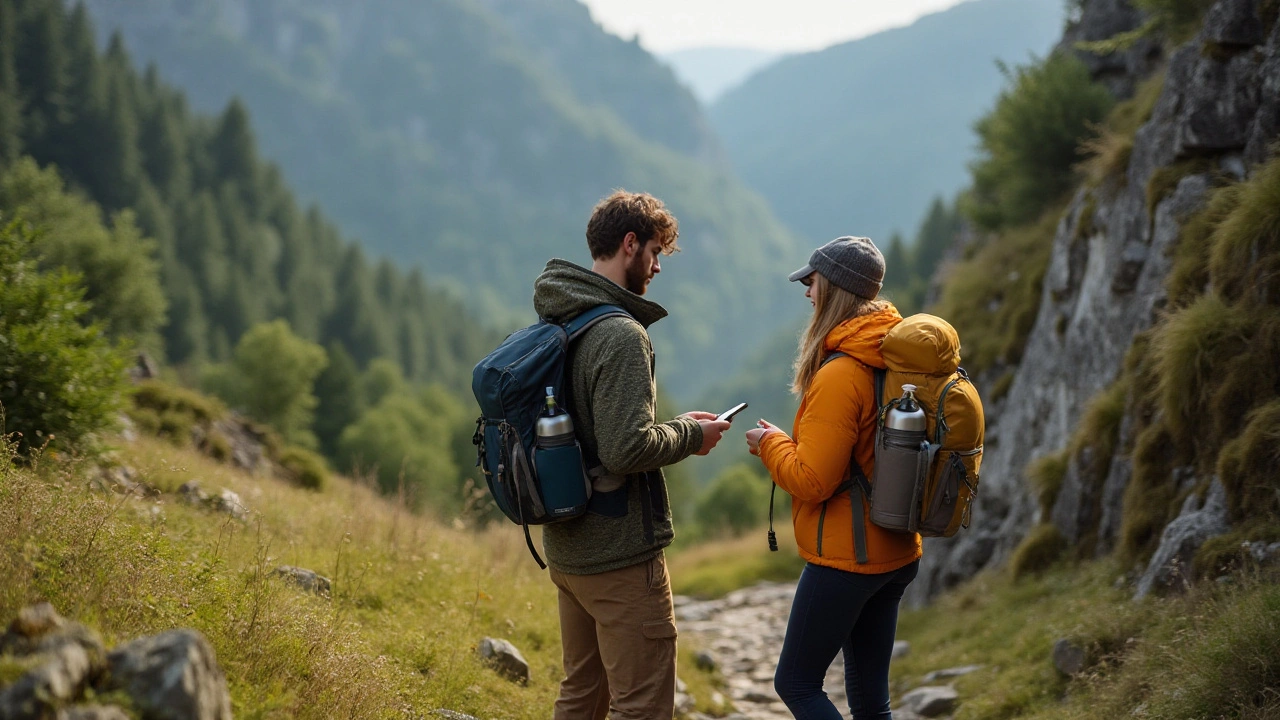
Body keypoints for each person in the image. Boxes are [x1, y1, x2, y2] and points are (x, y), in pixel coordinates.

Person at [532, 189, 731, 720]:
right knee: (640, 707)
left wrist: (679, 426)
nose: (658, 265)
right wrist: (692, 436)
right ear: (629, 244)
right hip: (619, 555)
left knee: (582, 697)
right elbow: (625, 448)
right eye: (655, 252)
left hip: (570, 548)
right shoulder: (619, 334)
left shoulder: (562, 319)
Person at [745, 236, 920, 720]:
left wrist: (771, 444)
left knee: (796, 684)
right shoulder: (891, 352)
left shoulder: (842, 373)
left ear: (836, 289)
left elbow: (813, 480)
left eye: (812, 281)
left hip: (847, 558)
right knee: (870, 700)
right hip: (896, 548)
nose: (806, 292)